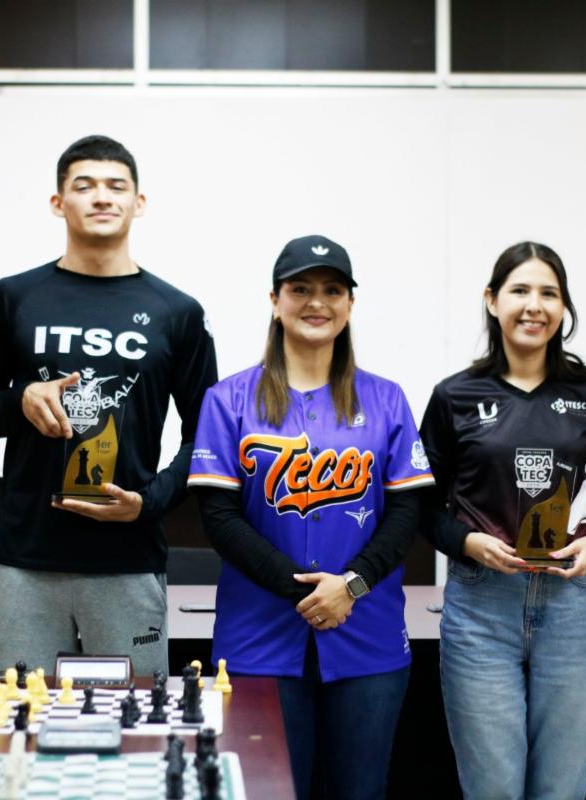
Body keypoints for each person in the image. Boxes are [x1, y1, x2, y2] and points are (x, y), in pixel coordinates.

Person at [0, 135, 217, 677]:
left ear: (138, 202)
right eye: (84, 186)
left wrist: (147, 503)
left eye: (116, 186)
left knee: (135, 733)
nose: (102, 197)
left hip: (127, 559)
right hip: (25, 558)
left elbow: (207, 440)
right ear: (58, 203)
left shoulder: (177, 311)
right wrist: (20, 400)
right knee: (21, 729)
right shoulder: (14, 297)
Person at [188, 235, 433, 799]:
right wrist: (306, 592)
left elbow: (405, 510)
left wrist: (351, 585)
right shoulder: (229, 400)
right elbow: (220, 518)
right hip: (258, 637)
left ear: (349, 305)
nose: (315, 302)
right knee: (267, 791)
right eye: (300, 289)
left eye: (331, 290)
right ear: (275, 300)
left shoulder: (387, 398)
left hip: (366, 631)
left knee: (360, 791)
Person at [420, 241, 586, 799]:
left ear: (563, 309)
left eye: (549, 293)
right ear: (492, 301)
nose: (533, 305)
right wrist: (467, 542)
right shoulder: (454, 396)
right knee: (493, 788)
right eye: (519, 290)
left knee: (562, 788)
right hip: (481, 608)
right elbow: (423, 508)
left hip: (575, 604)